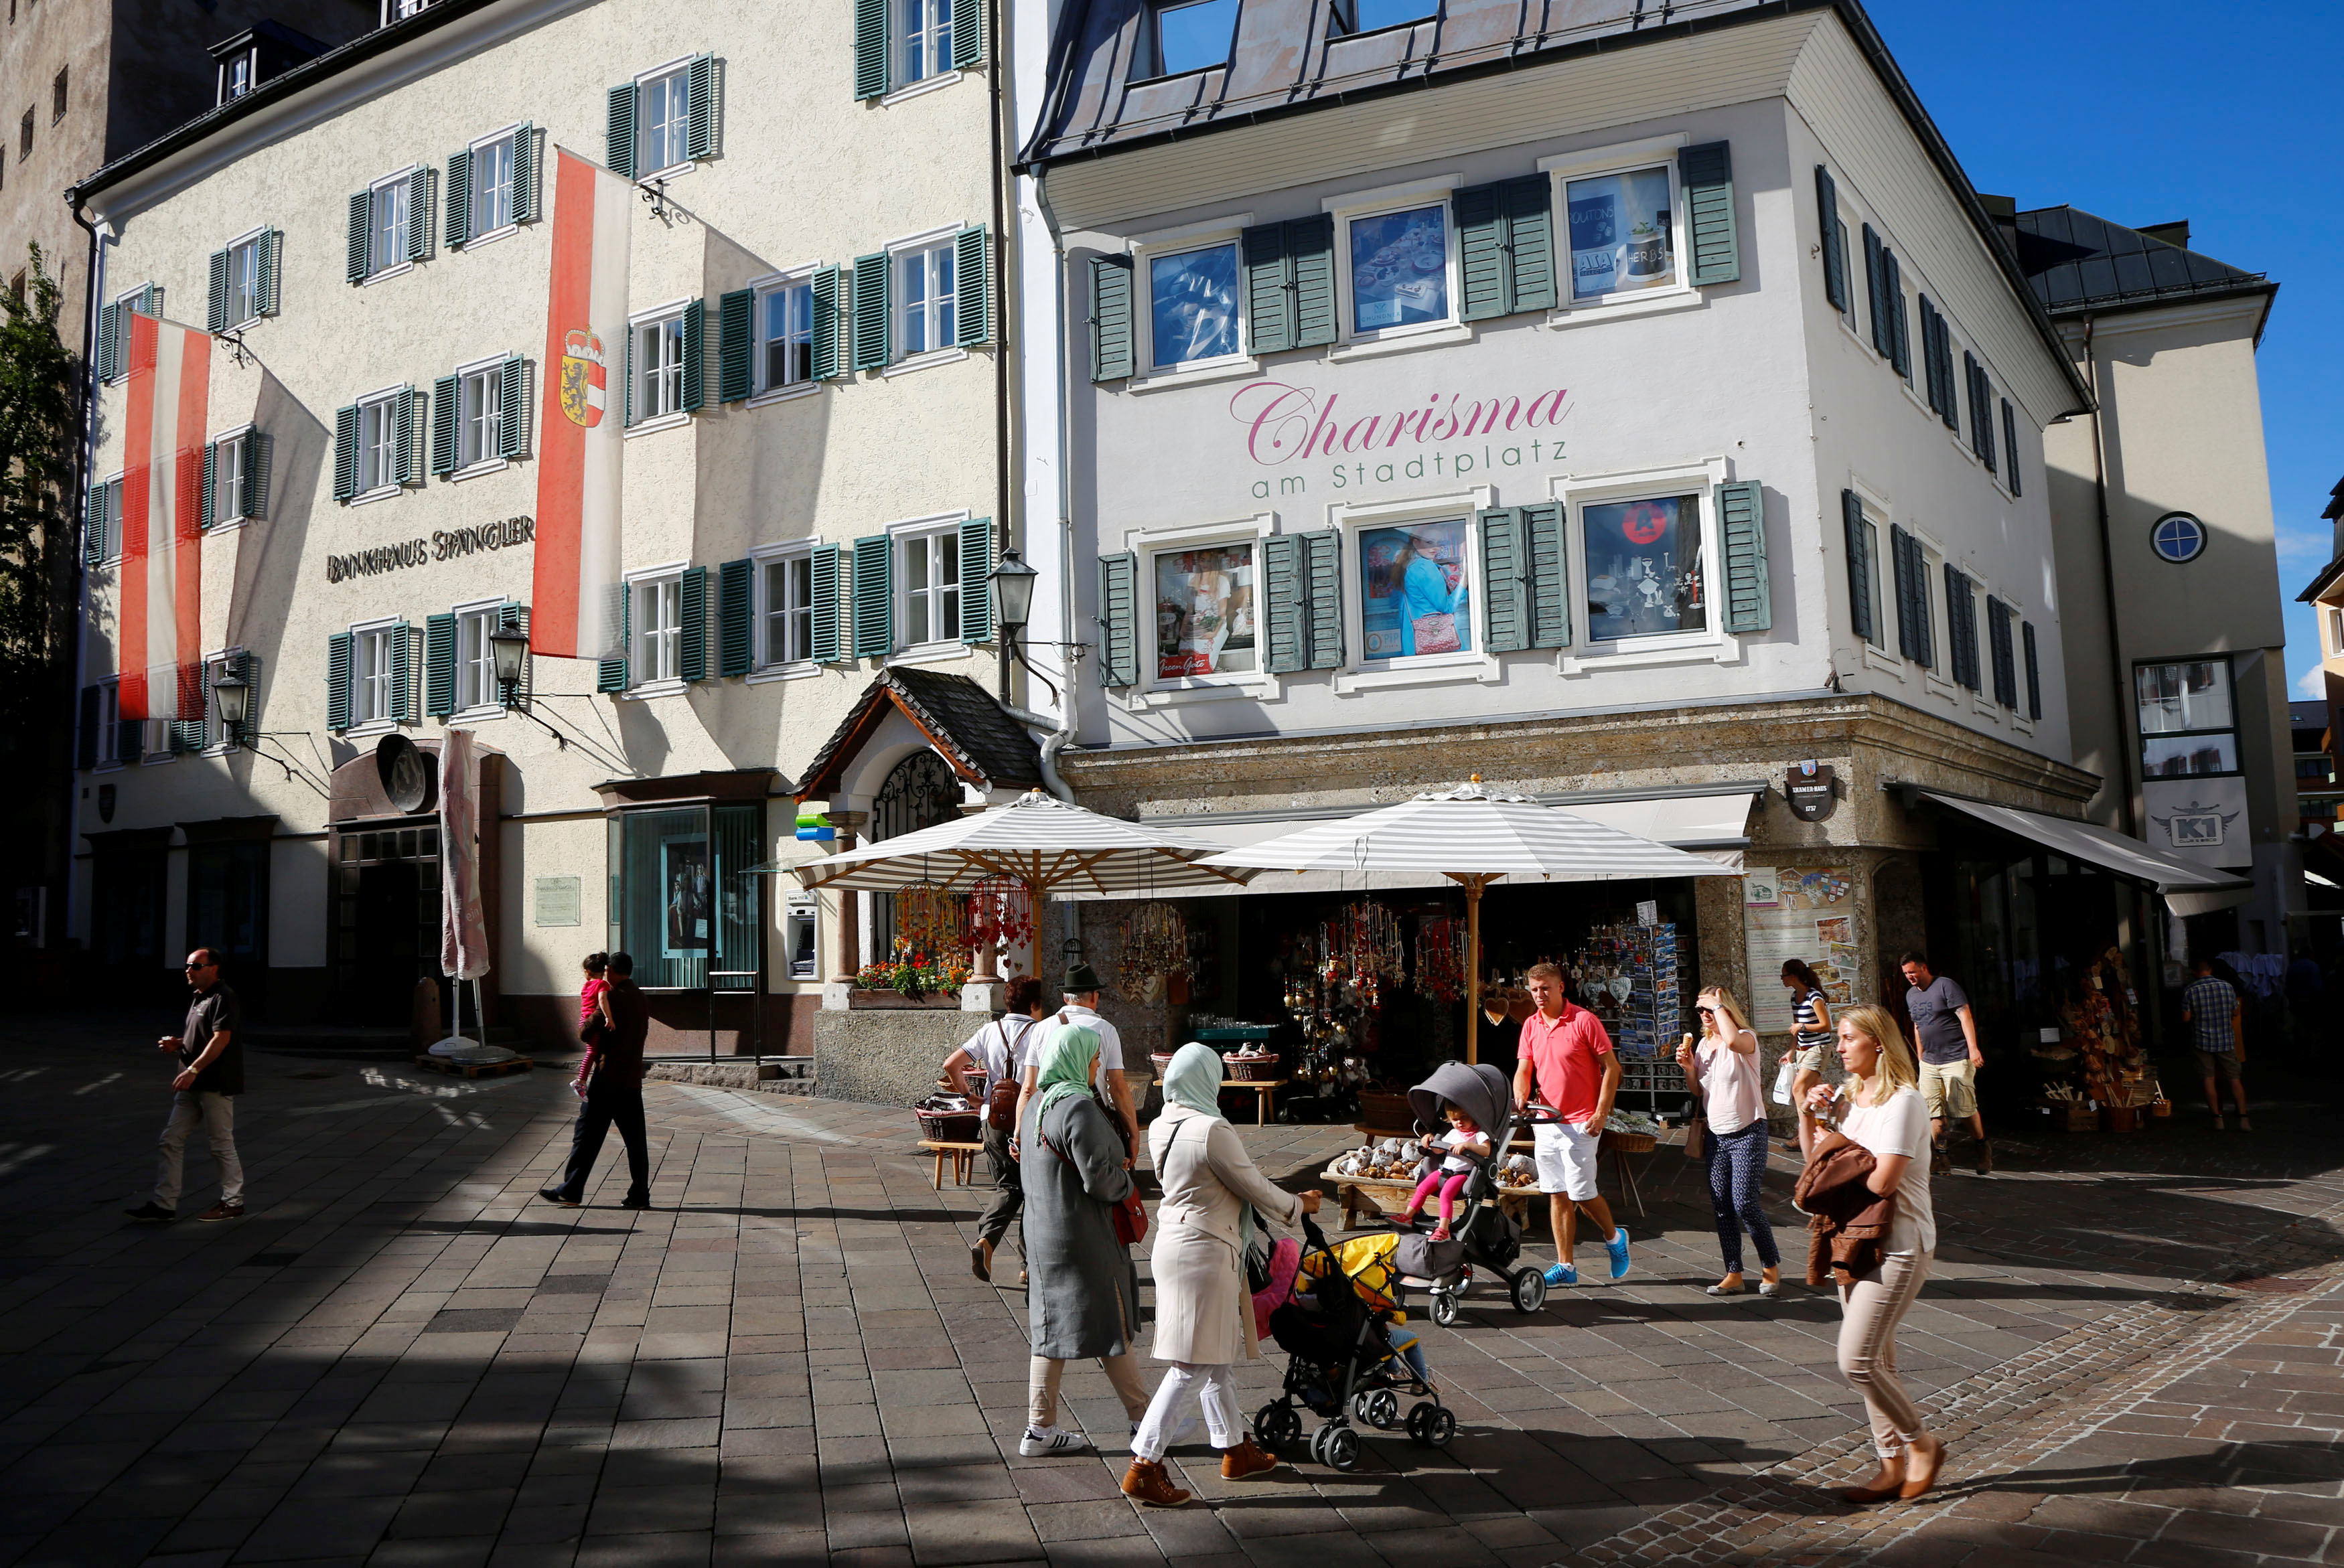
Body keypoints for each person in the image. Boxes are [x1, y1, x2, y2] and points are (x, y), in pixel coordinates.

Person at [1124, 1043, 1316, 1507]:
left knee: (1215, 1358)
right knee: (1191, 1364)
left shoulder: (1164, 1123)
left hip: (1177, 1245)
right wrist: (1299, 1205)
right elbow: (1251, 1184)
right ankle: (1143, 1464)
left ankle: (1234, 1449)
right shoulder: (1211, 1128)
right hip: (1206, 1253)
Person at [1802, 1004, 1946, 1504]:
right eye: (1839, 1039)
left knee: (1857, 1361)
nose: (1838, 1048)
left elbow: (1884, 1180)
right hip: (1854, 1239)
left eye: (1846, 1038)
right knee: (1879, 1362)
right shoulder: (1851, 1100)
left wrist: (1841, 1147)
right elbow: (1815, 1169)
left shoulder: (1904, 1101)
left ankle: (1922, 1446)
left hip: (1900, 1242)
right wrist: (1809, 1113)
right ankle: (1889, 1466)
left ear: (1878, 1044)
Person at [1019, 1022, 1150, 1458]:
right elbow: (1100, 1180)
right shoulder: (1078, 1108)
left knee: (1049, 1330)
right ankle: (1144, 1422)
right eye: (1093, 1057)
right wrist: (1126, 1179)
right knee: (1111, 1325)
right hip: (1084, 1239)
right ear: (1077, 1059)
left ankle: (1039, 1429)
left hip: (1043, 1237)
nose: (1097, 1064)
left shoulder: (1037, 1103)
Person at [1511, 961, 1631, 1287]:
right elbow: (1524, 1068)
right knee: (1556, 1194)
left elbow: (1612, 1068)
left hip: (1581, 1122)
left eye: (1545, 988)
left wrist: (1601, 1112)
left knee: (1581, 1193)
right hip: (1545, 1120)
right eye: (1534, 989)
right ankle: (1566, 1265)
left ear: (1561, 987)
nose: (1539, 995)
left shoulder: (1584, 1020)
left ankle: (1614, 1237)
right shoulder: (1531, 1025)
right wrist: (1520, 1095)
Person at [127, 948, 246, 1223]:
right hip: (191, 1083)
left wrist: (194, 1068)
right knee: (170, 1140)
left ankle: (233, 1202)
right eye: (187, 966)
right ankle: (164, 1204)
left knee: (221, 1144)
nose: (188, 970)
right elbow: (204, 1037)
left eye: (196, 966)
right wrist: (180, 1044)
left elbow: (221, 1039)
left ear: (213, 968)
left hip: (214, 1082)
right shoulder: (199, 998)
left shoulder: (223, 997)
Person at [945, 974, 1048, 1283]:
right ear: (1034, 1005)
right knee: (1035, 1192)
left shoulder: (990, 1030)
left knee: (1007, 1186)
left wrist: (970, 1097)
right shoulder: (1042, 1032)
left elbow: (952, 1065)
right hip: (1030, 1119)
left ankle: (986, 1242)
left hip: (993, 1118)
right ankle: (1028, 1266)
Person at [1679, 986, 1780, 1297]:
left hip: (1748, 1128)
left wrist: (1718, 1006)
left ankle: (1770, 1268)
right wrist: (1688, 1070)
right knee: (1722, 1206)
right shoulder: (1705, 1045)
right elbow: (1699, 1092)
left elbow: (1734, 1040)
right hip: (1716, 1133)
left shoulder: (1745, 1038)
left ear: (1724, 1008)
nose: (1705, 1016)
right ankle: (1733, 1272)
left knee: (1744, 1203)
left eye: (1710, 1009)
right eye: (1701, 1011)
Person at [540, 951, 651, 1209]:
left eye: (605, 972)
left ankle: (571, 1189)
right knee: (636, 1142)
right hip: (632, 1079)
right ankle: (640, 1194)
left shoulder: (610, 998)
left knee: (586, 1135)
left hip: (607, 1079)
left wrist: (589, 1012)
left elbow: (584, 1032)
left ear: (611, 972)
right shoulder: (641, 997)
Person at [1018, 963, 1139, 1157]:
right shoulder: (1106, 1030)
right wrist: (1133, 1135)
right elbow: (1117, 1086)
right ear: (1094, 996)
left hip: (1048, 1120)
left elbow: (1028, 1088)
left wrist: (1018, 1134)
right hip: (1092, 1119)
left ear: (1065, 998)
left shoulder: (1040, 1029)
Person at [1900, 951, 1988, 1174]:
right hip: (1929, 1061)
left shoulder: (1945, 986)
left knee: (1964, 1108)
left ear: (1924, 968)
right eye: (1905, 974)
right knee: (1933, 1110)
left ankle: (1981, 1146)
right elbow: (1917, 1026)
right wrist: (1920, 1057)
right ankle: (1941, 1157)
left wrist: (1973, 1049)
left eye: (1912, 972)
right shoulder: (1911, 995)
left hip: (1956, 1057)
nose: (1909, 977)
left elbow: (1965, 1015)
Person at [1401, 1101, 1489, 1241]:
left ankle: (1444, 1229)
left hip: (1462, 1174)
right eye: (1455, 1119)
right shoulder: (1453, 1133)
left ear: (1473, 1115)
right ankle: (1407, 1216)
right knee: (1422, 1187)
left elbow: (1486, 1150)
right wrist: (1429, 1140)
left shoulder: (1479, 1134)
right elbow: (1438, 1150)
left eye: (1464, 1117)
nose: (1460, 1122)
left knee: (1445, 1195)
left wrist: (1467, 1145)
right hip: (1444, 1171)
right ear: (1449, 1120)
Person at [2181, 957, 2250, 1131]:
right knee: (2235, 1079)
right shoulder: (2227, 987)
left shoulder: (2190, 990)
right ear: (2210, 970)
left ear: (2195, 972)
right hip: (2226, 1039)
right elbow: (2235, 1011)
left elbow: (2186, 1018)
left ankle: (2217, 1119)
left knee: (2209, 1079)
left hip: (2202, 1040)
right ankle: (2243, 1119)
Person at [1782, 959, 1834, 1162]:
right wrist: (1791, 1051)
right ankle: (1823, 1129)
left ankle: (1803, 1131)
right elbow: (1797, 1028)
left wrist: (1803, 1026)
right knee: (1816, 1094)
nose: (1782, 979)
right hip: (1804, 1050)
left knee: (1798, 1089)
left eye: (1784, 975)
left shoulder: (1815, 996)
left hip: (1819, 1049)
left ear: (1793, 976)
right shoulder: (1795, 997)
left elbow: (1826, 1025)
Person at [1396, 532, 1465, 656]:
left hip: (1414, 641)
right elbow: (1447, 607)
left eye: (1440, 543)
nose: (1436, 548)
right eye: (1429, 542)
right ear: (1416, 543)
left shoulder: (1409, 566)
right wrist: (1466, 578)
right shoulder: (1424, 566)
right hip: (1436, 642)